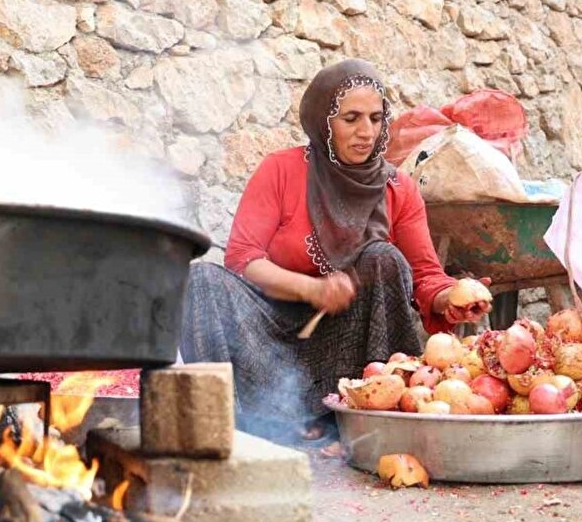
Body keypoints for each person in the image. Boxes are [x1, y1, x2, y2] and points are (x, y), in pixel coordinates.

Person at [180, 59, 491, 449]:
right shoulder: (280, 170)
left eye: (377, 119)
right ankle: (232, 429)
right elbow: (243, 258)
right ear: (323, 121)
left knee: (383, 258)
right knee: (201, 280)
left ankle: (365, 423)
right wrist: (310, 290)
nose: (366, 132)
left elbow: (426, 275)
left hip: (348, 334)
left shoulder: (399, 189)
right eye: (351, 119)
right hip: (270, 327)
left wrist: (452, 299)